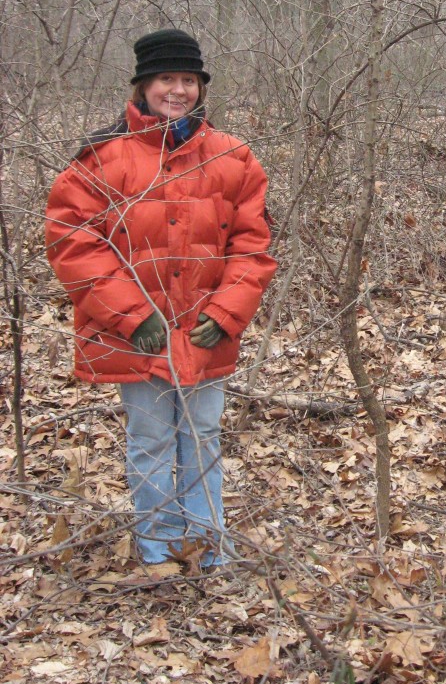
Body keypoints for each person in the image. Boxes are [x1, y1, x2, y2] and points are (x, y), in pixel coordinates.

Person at [46, 29, 277, 568]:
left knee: (202, 438)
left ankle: (206, 545)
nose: (178, 91)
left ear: (200, 87)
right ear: (143, 85)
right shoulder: (102, 158)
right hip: (135, 334)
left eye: (189, 81)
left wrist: (224, 316)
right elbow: (71, 241)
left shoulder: (233, 156)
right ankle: (158, 547)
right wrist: (131, 316)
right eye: (167, 79)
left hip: (203, 331)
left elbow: (253, 245)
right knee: (150, 440)